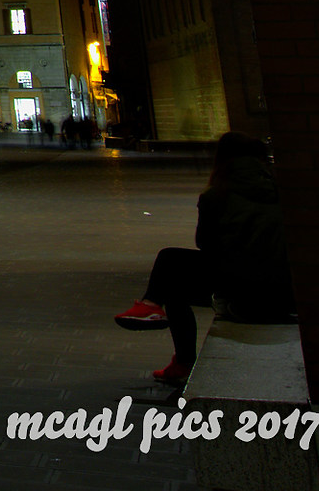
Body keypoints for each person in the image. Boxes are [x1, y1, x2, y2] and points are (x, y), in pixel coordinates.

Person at [115, 132, 295, 382]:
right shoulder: (283, 189)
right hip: (287, 295)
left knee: (170, 268)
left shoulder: (216, 195)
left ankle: (172, 343)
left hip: (246, 298)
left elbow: (205, 245)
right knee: (173, 276)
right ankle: (153, 309)